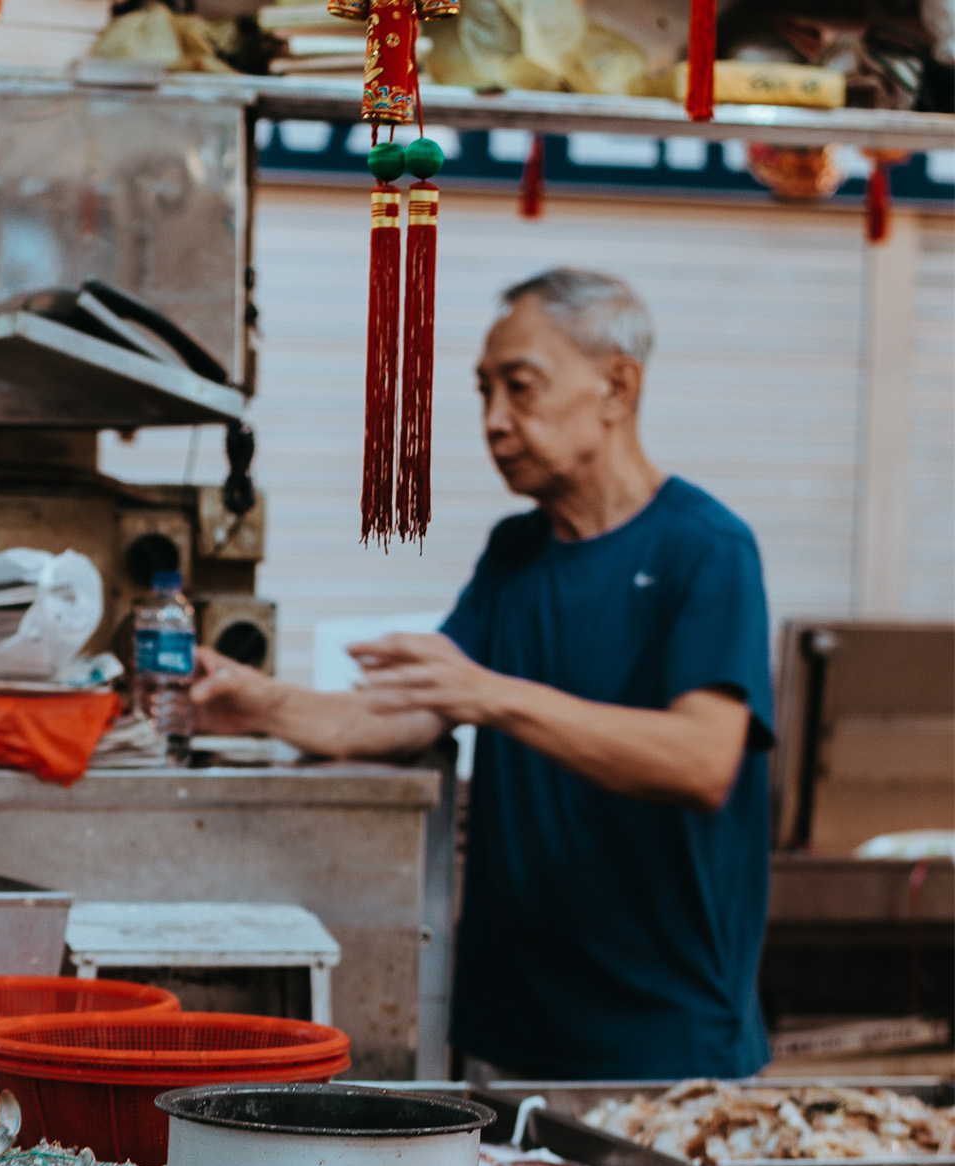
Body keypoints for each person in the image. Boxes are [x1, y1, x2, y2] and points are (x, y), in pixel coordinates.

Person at [193, 268, 774, 1081]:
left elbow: (702, 760)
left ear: (616, 387)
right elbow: (411, 711)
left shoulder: (705, 550)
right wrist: (262, 703)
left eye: (521, 388)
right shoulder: (515, 555)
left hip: (664, 1041)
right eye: (483, 393)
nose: (495, 422)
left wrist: (492, 695)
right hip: (510, 1032)